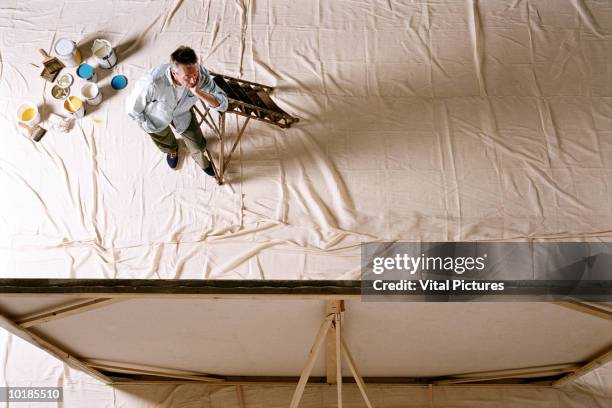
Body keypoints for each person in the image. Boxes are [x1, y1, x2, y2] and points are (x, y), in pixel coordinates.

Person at [126, 46, 228, 176]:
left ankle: (200, 159)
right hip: (155, 117)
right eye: (187, 77)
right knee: (165, 140)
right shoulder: (151, 82)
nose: (193, 81)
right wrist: (147, 123)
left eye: (195, 74)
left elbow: (223, 103)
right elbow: (132, 109)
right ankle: (172, 150)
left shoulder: (200, 75)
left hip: (182, 113)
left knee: (198, 145)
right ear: (174, 73)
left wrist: (198, 92)